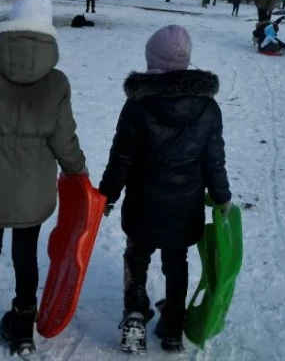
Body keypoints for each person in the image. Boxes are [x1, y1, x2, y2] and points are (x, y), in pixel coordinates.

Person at [0, 0, 88, 360]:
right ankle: (24, 328)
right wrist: (79, 173)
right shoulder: (57, 82)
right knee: (26, 257)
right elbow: (64, 139)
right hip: (32, 190)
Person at [99, 25, 232, 354]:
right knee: (177, 261)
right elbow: (214, 160)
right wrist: (221, 195)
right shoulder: (207, 108)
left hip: (144, 203)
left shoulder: (138, 106)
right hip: (184, 206)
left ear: (152, 61)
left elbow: (122, 158)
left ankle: (134, 312)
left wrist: (108, 194)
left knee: (137, 254)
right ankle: (173, 327)